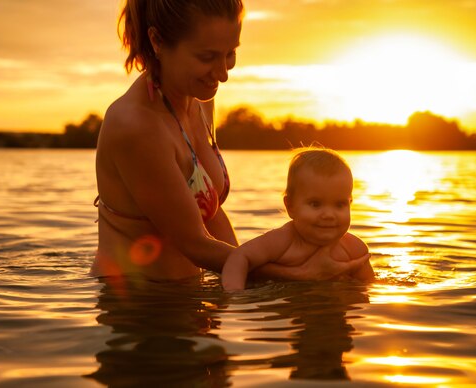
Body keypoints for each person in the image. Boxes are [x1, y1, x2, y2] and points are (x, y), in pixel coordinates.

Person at [92, 0, 370, 281]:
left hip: (190, 299)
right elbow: (194, 244)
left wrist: (250, 276)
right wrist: (299, 273)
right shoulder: (135, 126)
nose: (223, 74)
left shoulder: (199, 100)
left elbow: (211, 213)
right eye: (206, 57)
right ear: (157, 41)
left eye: (230, 54)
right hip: (137, 307)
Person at [222, 149, 376, 291]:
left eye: (339, 204)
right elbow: (240, 256)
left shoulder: (354, 250)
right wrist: (235, 295)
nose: (329, 214)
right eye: (315, 204)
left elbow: (371, 287)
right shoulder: (282, 241)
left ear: (350, 204)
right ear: (291, 206)